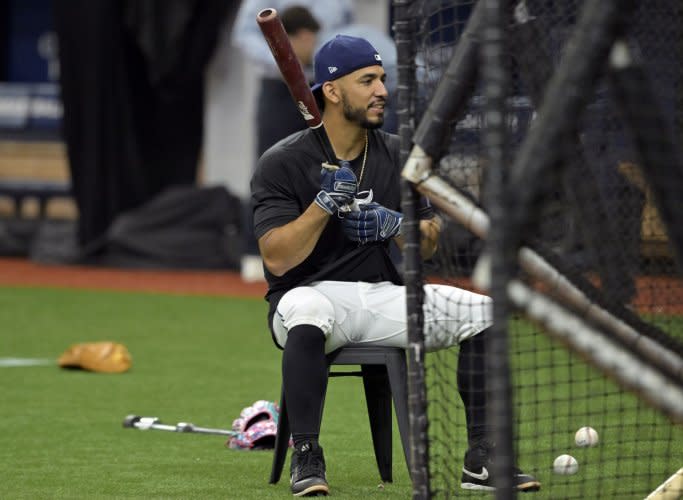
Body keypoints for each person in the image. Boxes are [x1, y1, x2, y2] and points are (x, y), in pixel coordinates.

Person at [250, 35, 541, 496]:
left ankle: (482, 458)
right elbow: (277, 256)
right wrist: (323, 206)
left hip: (386, 295)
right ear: (331, 90)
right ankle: (307, 455)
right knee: (306, 310)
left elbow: (427, 242)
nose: (382, 89)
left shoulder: (398, 153)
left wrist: (394, 224)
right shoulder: (283, 162)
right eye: (367, 80)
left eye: (382, 79)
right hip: (310, 297)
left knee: (485, 313)